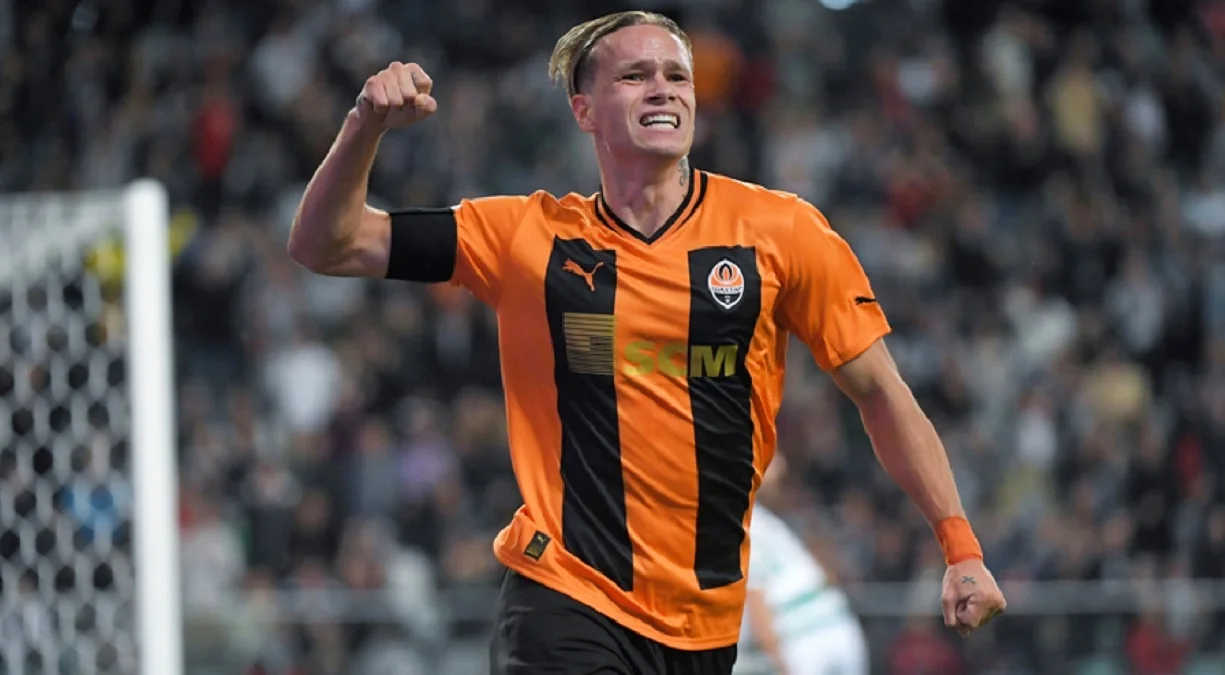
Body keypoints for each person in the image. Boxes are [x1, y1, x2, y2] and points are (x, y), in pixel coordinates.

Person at [287, 10, 1007, 675]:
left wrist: (960, 547)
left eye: (676, 75)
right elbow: (326, 244)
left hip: (705, 625)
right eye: (634, 75)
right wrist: (364, 126)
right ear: (584, 110)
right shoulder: (526, 237)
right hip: (565, 593)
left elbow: (880, 392)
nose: (662, 88)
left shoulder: (783, 233)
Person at [734, 455, 869, 675]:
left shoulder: (743, 524)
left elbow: (757, 600)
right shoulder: (763, 519)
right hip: (838, 623)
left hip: (801, 638)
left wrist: (781, 665)